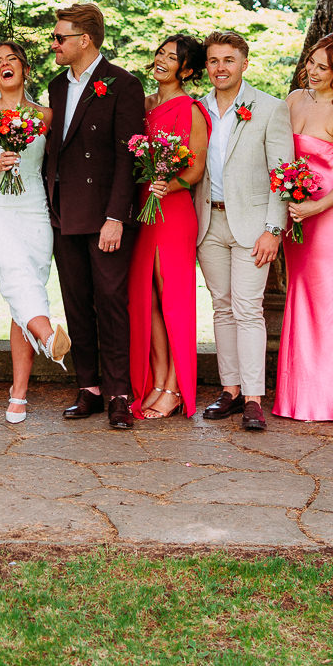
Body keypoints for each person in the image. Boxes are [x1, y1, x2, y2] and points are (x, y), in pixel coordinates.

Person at [44, 3, 146, 430]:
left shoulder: (122, 83)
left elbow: (129, 157)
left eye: (59, 37)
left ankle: (119, 393)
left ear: (84, 40)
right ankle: (89, 387)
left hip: (106, 215)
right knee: (76, 303)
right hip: (64, 211)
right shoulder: (55, 86)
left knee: (111, 304)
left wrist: (116, 216)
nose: (54, 44)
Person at [196, 31, 294, 432]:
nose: (220, 68)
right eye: (214, 61)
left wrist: (274, 229)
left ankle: (254, 397)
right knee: (221, 305)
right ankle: (230, 390)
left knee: (248, 308)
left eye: (228, 60)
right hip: (209, 221)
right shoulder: (197, 109)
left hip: (254, 225)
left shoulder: (269, 108)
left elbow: (282, 175)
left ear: (244, 63)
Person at [0, 40, 68, 424]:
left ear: (25, 68)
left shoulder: (46, 116)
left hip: (34, 211)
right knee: (16, 278)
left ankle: (19, 393)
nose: (5, 65)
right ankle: (46, 334)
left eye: (12, 60)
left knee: (23, 296)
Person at [274, 32, 333, 422]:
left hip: (329, 218)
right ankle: (296, 395)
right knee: (298, 297)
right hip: (296, 214)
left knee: (327, 303)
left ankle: (329, 398)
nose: (312, 72)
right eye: (311, 63)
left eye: (323, 68)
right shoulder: (294, 100)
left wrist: (313, 207)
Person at [128, 35, 210, 420]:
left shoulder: (190, 109)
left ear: (188, 70)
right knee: (148, 298)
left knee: (172, 298)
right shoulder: (144, 106)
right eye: (160, 52)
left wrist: (169, 184)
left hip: (173, 211)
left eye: (172, 57)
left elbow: (194, 169)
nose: (161, 60)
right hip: (145, 210)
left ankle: (176, 387)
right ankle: (158, 378)